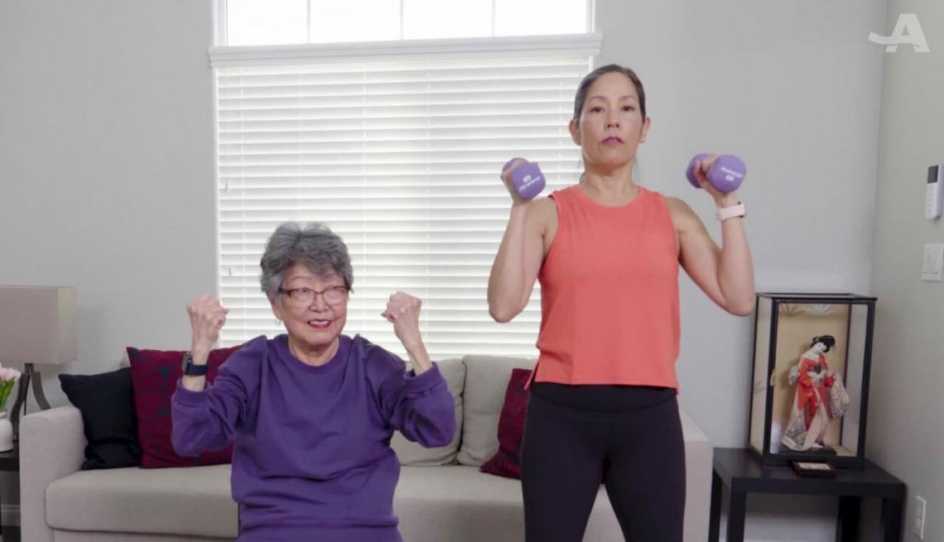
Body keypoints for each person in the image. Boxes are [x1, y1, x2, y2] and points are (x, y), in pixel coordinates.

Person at [488, 64, 755, 542]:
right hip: (560, 416)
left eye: (626, 109)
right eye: (597, 109)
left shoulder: (672, 214)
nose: (613, 120)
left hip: (648, 418)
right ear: (575, 130)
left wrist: (727, 203)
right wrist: (519, 208)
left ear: (644, 128)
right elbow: (504, 306)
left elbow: (737, 298)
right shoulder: (549, 211)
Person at [171, 222, 456, 542]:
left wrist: (414, 344)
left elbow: (438, 430)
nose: (321, 305)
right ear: (275, 302)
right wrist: (200, 350)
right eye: (303, 290)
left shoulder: (371, 364)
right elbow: (191, 439)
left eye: (333, 289)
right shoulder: (254, 364)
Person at [781, 335, 850, 452]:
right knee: (810, 415)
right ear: (814, 344)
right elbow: (802, 375)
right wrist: (814, 379)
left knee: (821, 416)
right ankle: (807, 441)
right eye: (819, 345)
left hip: (820, 389)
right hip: (807, 389)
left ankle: (814, 440)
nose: (820, 349)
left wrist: (829, 378)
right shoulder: (805, 357)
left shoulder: (821, 357)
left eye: (823, 348)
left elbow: (825, 373)